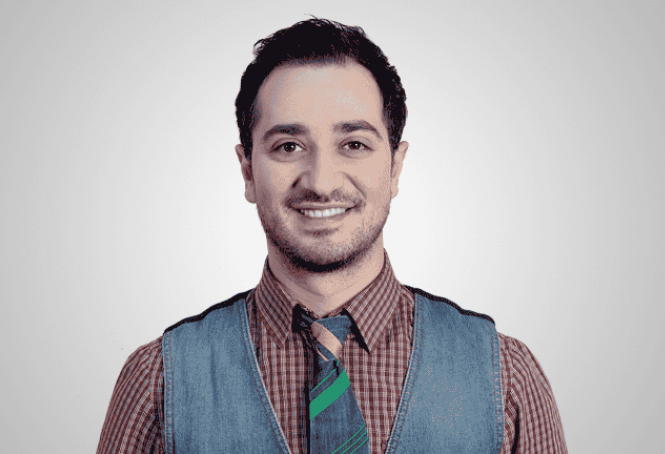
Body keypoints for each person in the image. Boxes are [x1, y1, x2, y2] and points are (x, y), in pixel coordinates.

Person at [97, 18, 567, 454]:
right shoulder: (158, 381)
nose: (321, 182)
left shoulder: (506, 376)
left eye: (354, 144)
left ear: (395, 168)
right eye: (288, 146)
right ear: (248, 171)